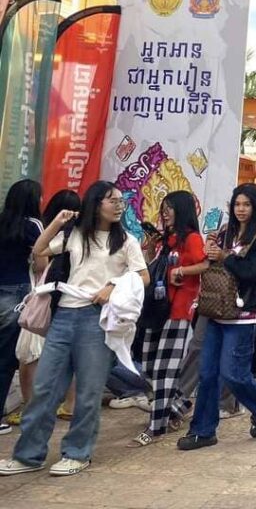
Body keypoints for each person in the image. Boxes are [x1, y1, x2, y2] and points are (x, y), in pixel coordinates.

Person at [0, 181, 149, 477]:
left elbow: (142, 276)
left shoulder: (127, 241)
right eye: (112, 200)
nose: (119, 206)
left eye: (121, 201)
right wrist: (57, 222)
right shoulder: (74, 234)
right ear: (95, 204)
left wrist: (113, 285)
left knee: (89, 392)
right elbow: (40, 249)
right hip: (64, 316)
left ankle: (78, 453)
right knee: (44, 388)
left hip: (97, 319)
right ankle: (28, 455)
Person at [177, 183, 256, 451]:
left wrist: (225, 257)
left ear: (255, 207)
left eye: (246, 204)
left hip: (241, 314)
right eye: (237, 204)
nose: (241, 210)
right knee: (207, 373)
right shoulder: (225, 232)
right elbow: (212, 265)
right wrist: (212, 253)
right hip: (214, 310)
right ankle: (202, 430)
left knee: (233, 374)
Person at [133, 191, 207, 446]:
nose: (165, 213)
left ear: (183, 210)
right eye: (163, 208)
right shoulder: (167, 240)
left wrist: (182, 271)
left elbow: (205, 265)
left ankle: (157, 426)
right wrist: (152, 247)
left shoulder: (192, 239)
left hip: (179, 311)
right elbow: (149, 268)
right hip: (156, 311)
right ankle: (177, 405)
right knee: (148, 363)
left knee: (164, 370)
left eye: (170, 208)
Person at [9, 190, 83, 427]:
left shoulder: (49, 230)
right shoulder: (80, 234)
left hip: (42, 294)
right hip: (68, 299)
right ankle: (69, 404)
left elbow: (40, 261)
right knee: (69, 355)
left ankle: (31, 406)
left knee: (28, 352)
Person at [0, 179, 44, 434]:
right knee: (6, 357)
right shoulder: (32, 225)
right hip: (17, 292)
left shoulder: (2, 221)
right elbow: (41, 263)